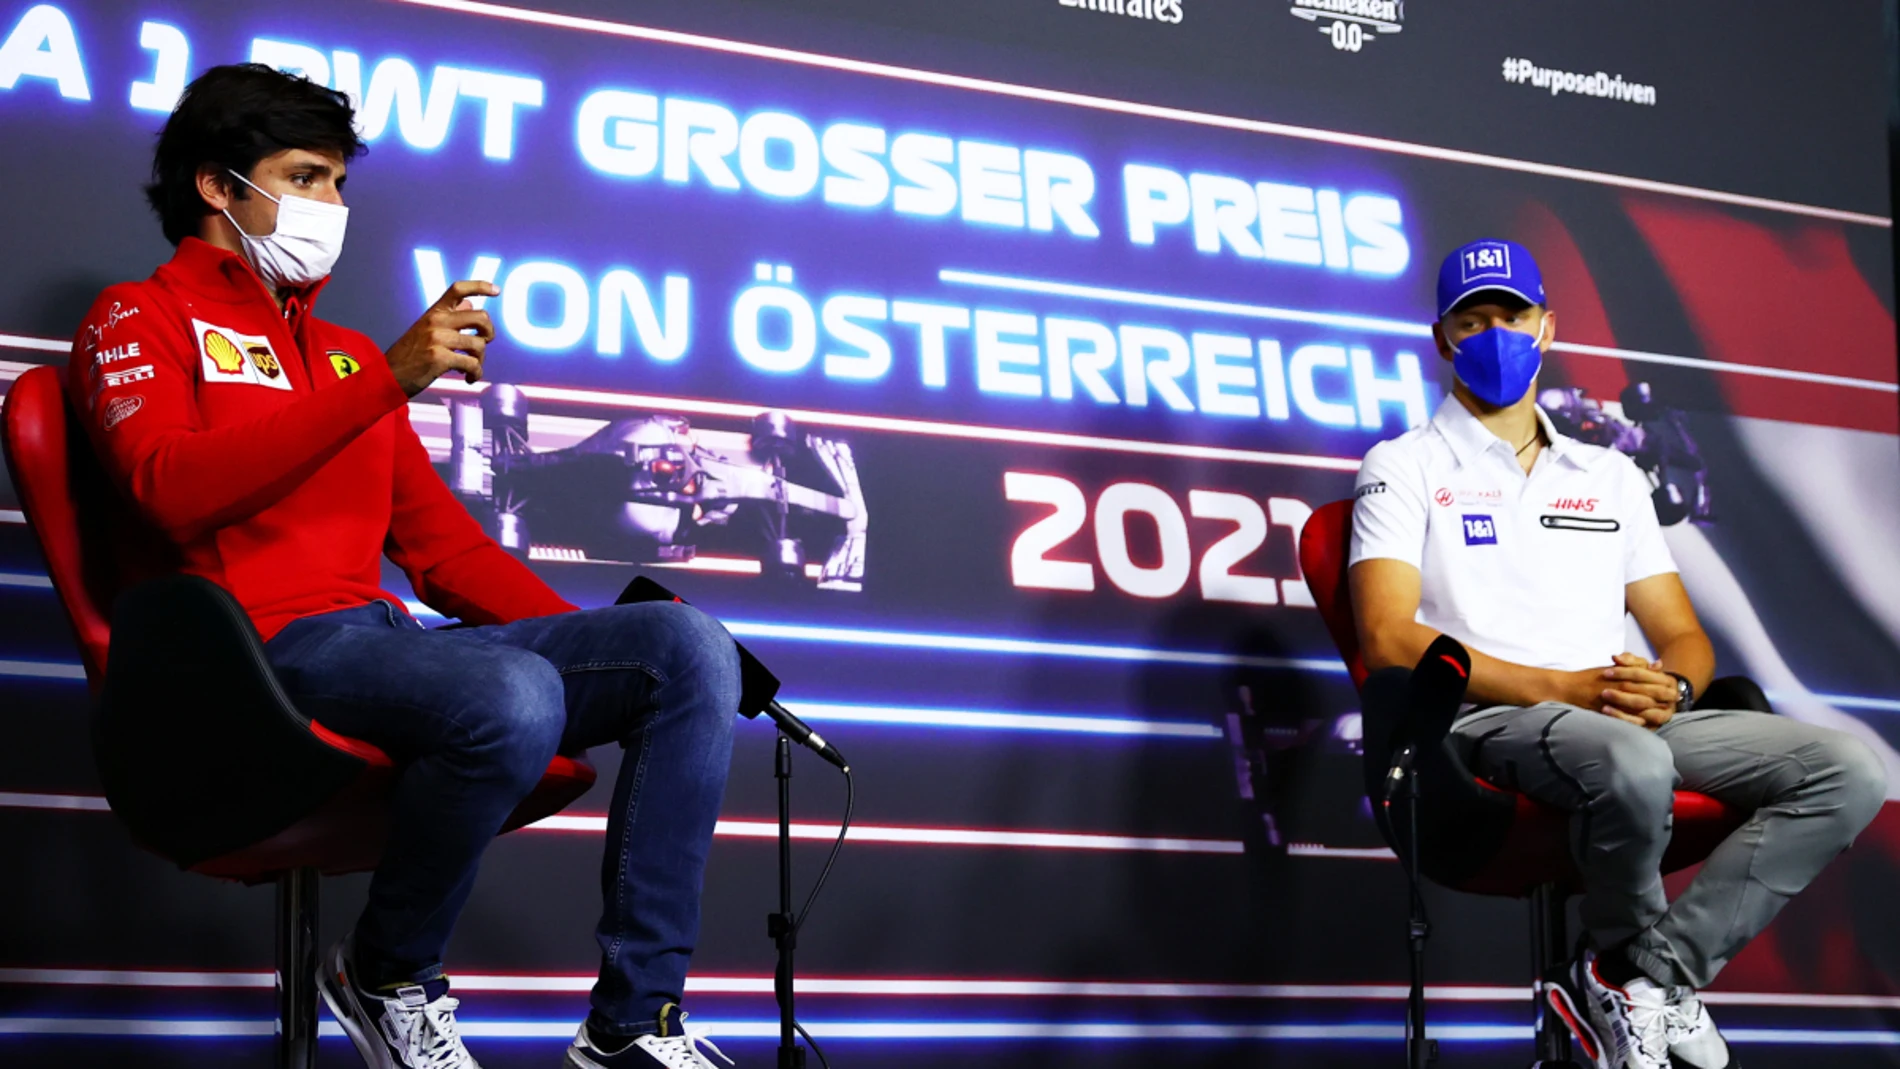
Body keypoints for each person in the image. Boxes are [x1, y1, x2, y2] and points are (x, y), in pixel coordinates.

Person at [69, 64, 740, 1069]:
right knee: (504, 690)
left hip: (384, 645)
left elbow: (442, 551)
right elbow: (168, 487)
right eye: (306, 177)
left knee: (683, 647)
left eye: (340, 183)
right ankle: (388, 973)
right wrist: (388, 379)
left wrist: (585, 648)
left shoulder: (341, 356)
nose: (332, 207)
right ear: (218, 185)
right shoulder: (137, 317)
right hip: (245, 666)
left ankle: (631, 1023)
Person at [1348, 238, 1887, 1069]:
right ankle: (1633, 980)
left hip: (1616, 713)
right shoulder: (1403, 464)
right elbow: (1387, 634)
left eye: (1513, 315)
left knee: (1849, 768)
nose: (1496, 333)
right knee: (1632, 761)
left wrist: (1670, 684)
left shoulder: (1609, 475)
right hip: (1487, 723)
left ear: (1548, 326)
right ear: (1442, 337)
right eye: (1474, 318)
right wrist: (1560, 685)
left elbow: (1682, 634)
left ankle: (1638, 974)